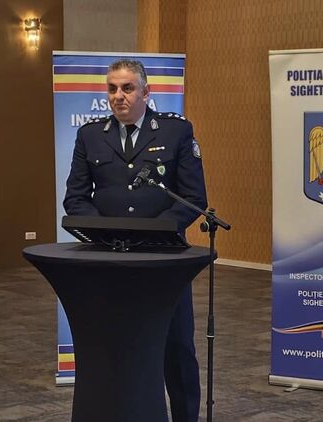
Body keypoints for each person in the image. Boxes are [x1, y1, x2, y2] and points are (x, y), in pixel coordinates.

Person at [63, 59, 207, 422]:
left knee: (177, 349)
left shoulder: (175, 132)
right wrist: (105, 234)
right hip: (108, 259)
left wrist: (153, 233)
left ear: (146, 92)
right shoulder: (90, 136)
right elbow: (76, 198)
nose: (118, 96)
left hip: (164, 261)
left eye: (127, 88)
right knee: (115, 346)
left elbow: (193, 197)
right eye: (112, 89)